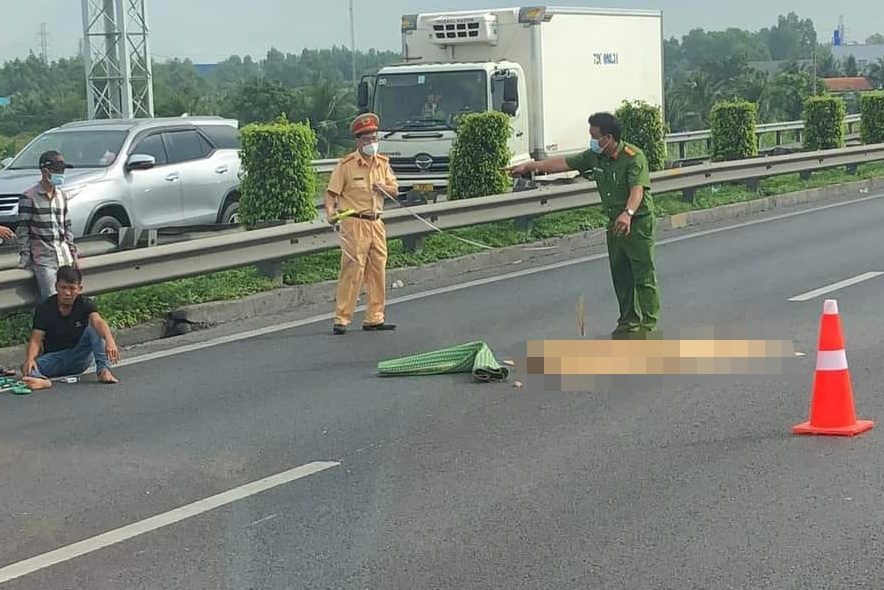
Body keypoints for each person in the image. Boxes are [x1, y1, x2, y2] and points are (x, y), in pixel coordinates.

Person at [510, 111, 661, 335]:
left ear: (608, 138)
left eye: (594, 136)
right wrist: (531, 166)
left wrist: (628, 213)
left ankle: (648, 324)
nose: (591, 140)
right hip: (615, 223)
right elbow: (564, 163)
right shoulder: (595, 155)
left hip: (636, 222)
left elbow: (637, 190)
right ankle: (628, 320)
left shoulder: (633, 156)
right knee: (620, 275)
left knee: (643, 275)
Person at [324, 113, 399, 335]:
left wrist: (383, 188)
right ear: (358, 141)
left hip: (376, 222)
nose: (371, 143)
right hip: (354, 222)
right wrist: (331, 212)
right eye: (367, 139)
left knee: (378, 271)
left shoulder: (383, 163)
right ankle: (342, 318)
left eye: (374, 138)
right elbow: (331, 194)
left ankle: (375, 317)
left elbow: (395, 189)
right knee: (352, 271)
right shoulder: (346, 165)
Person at [21, 265, 120, 390]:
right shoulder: (45, 308)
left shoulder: (84, 303)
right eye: (63, 288)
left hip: (78, 356)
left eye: (72, 288)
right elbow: (36, 339)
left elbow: (98, 321)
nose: (67, 293)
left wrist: (110, 341)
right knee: (27, 367)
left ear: (79, 289)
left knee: (93, 329)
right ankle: (43, 381)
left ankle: (103, 371)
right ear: (56, 287)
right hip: (55, 358)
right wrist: (30, 359)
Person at [16, 150, 79, 301]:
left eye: (63, 170)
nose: (61, 174)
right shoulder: (29, 197)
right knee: (51, 301)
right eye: (58, 170)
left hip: (65, 258)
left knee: (70, 300)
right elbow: (23, 229)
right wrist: (25, 256)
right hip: (44, 260)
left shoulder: (62, 196)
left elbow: (67, 227)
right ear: (45, 171)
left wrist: (73, 254)